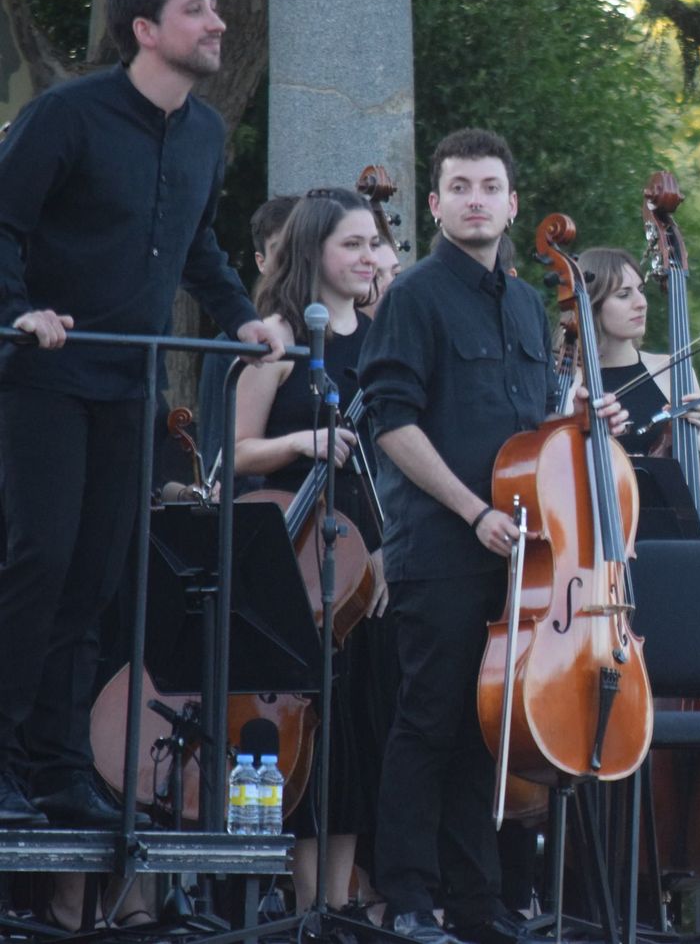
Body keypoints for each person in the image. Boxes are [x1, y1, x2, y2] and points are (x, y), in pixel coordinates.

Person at [0, 0, 283, 828]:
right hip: (41, 378)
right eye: (199, 10)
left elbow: (199, 246)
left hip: (130, 383)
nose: (219, 23)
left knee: (96, 578)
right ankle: (4, 759)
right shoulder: (64, 117)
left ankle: (55, 765)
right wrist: (20, 310)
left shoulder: (202, 133)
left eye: (216, 8)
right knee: (39, 561)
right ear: (146, 30)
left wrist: (242, 315)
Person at [357, 128, 624, 944]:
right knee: (431, 719)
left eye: (490, 187)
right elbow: (390, 419)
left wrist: (582, 422)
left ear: (512, 203)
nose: (476, 200)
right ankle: (407, 898)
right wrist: (471, 511)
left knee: (489, 728)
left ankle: (475, 909)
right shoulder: (414, 297)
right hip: (442, 546)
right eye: (460, 187)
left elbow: (528, 432)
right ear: (436, 205)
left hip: (522, 552)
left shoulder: (525, 303)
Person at [232, 187, 388, 913]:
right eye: (351, 244)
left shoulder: (387, 338)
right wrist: (302, 442)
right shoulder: (276, 337)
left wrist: (385, 551)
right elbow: (233, 454)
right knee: (306, 724)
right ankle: (297, 905)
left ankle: (338, 906)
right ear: (314, 251)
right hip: (290, 548)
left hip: (366, 556)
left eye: (372, 244)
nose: (367, 257)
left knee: (356, 723)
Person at [573, 246, 700, 465]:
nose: (641, 303)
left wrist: (693, 435)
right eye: (624, 295)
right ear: (592, 305)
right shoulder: (571, 384)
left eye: (641, 290)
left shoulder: (674, 370)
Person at [199, 193, 300, 474]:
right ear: (261, 261)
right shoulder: (227, 349)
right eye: (282, 250)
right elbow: (217, 456)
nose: (294, 263)